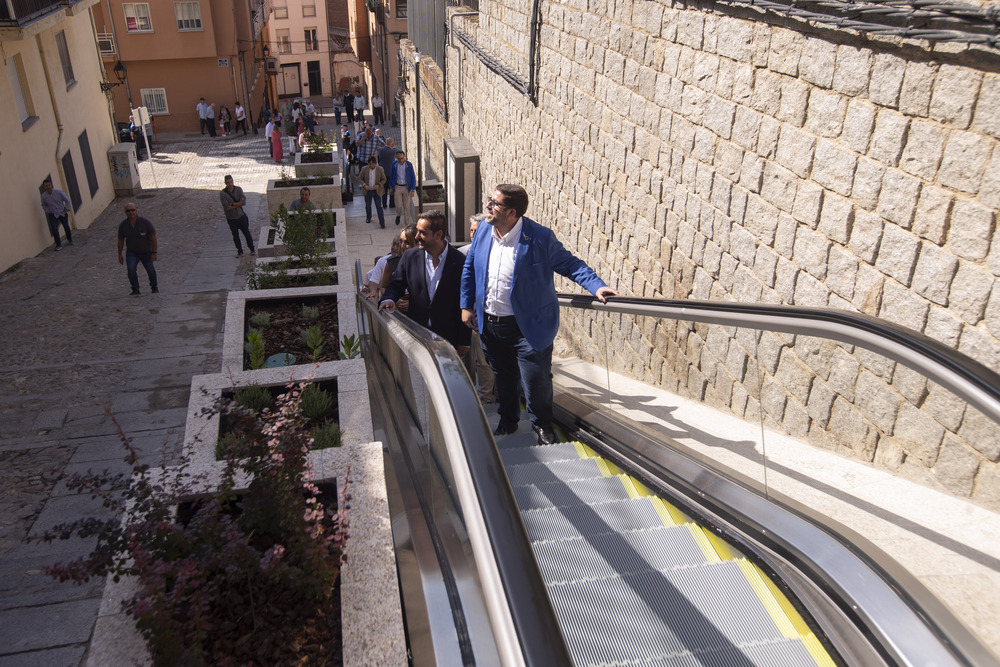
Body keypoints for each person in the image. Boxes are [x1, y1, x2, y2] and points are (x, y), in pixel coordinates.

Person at [460, 184, 618, 445]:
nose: (488, 206)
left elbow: (570, 264)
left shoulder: (539, 237)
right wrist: (466, 305)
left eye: (494, 203)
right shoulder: (484, 231)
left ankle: (542, 426)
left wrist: (596, 285)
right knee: (505, 379)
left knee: (536, 382)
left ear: (511, 213)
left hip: (528, 328)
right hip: (491, 325)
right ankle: (508, 421)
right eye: (490, 199)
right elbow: (469, 268)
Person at [380, 211, 470, 353]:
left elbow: (465, 302)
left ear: (438, 235)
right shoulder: (410, 257)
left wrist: (464, 341)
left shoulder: (459, 262)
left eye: (422, 233)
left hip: (447, 340)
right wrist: (389, 298)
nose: (417, 237)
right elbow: (396, 284)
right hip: (415, 336)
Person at [459, 214, 495, 403]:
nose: (473, 234)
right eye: (471, 230)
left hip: (485, 315)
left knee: (483, 360)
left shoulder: (495, 252)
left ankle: (485, 397)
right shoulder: (462, 252)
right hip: (467, 315)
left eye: (476, 230)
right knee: (469, 357)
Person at [117, 202, 158, 295]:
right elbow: (120, 240)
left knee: (150, 270)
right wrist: (119, 254)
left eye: (133, 210)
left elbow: (153, 237)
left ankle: (154, 287)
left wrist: (154, 252)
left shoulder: (145, 222)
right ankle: (135, 289)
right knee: (131, 269)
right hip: (132, 252)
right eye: (128, 211)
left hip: (146, 251)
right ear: (125, 212)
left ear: (136, 210)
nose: (131, 212)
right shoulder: (123, 225)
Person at [220, 175, 255, 257]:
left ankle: (252, 249)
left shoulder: (238, 189)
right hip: (231, 218)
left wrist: (232, 204)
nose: (230, 184)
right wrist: (237, 204)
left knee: (247, 233)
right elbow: (227, 207)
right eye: (228, 182)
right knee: (235, 236)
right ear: (225, 183)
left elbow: (243, 202)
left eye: (231, 182)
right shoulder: (223, 194)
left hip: (241, 216)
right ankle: (239, 251)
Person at [40, 179, 73, 250]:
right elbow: (44, 205)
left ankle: (70, 239)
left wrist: (66, 209)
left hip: (62, 212)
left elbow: (67, 200)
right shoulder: (44, 196)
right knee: (55, 229)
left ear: (51, 185)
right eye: (46, 186)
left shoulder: (59, 192)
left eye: (49, 185)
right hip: (53, 214)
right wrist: (48, 211)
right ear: (44, 187)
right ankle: (58, 244)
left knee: (66, 227)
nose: (48, 187)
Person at [389, 150, 416, 227]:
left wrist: (413, 189)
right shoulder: (394, 165)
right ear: (396, 158)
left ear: (404, 157)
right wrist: (391, 187)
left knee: (407, 206)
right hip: (397, 186)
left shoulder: (409, 165)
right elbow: (391, 176)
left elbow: (412, 177)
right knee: (399, 205)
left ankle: (407, 223)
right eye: (399, 159)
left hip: (406, 187)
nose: (401, 160)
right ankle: (398, 215)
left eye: (402, 158)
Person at [360, 156, 387, 227]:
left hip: (376, 191)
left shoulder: (380, 169)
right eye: (368, 164)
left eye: (371, 164)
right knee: (368, 206)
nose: (369, 165)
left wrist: (379, 185)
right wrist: (364, 185)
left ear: (375, 163)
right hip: (367, 190)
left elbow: (384, 179)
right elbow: (360, 178)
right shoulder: (364, 169)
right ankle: (368, 217)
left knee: (379, 206)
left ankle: (382, 222)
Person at [377, 137, 397, 210]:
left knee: (384, 190)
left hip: (383, 172)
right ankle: (392, 203)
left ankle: (384, 204)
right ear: (392, 143)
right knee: (391, 189)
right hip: (391, 173)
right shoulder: (393, 151)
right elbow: (395, 150)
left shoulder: (381, 150)